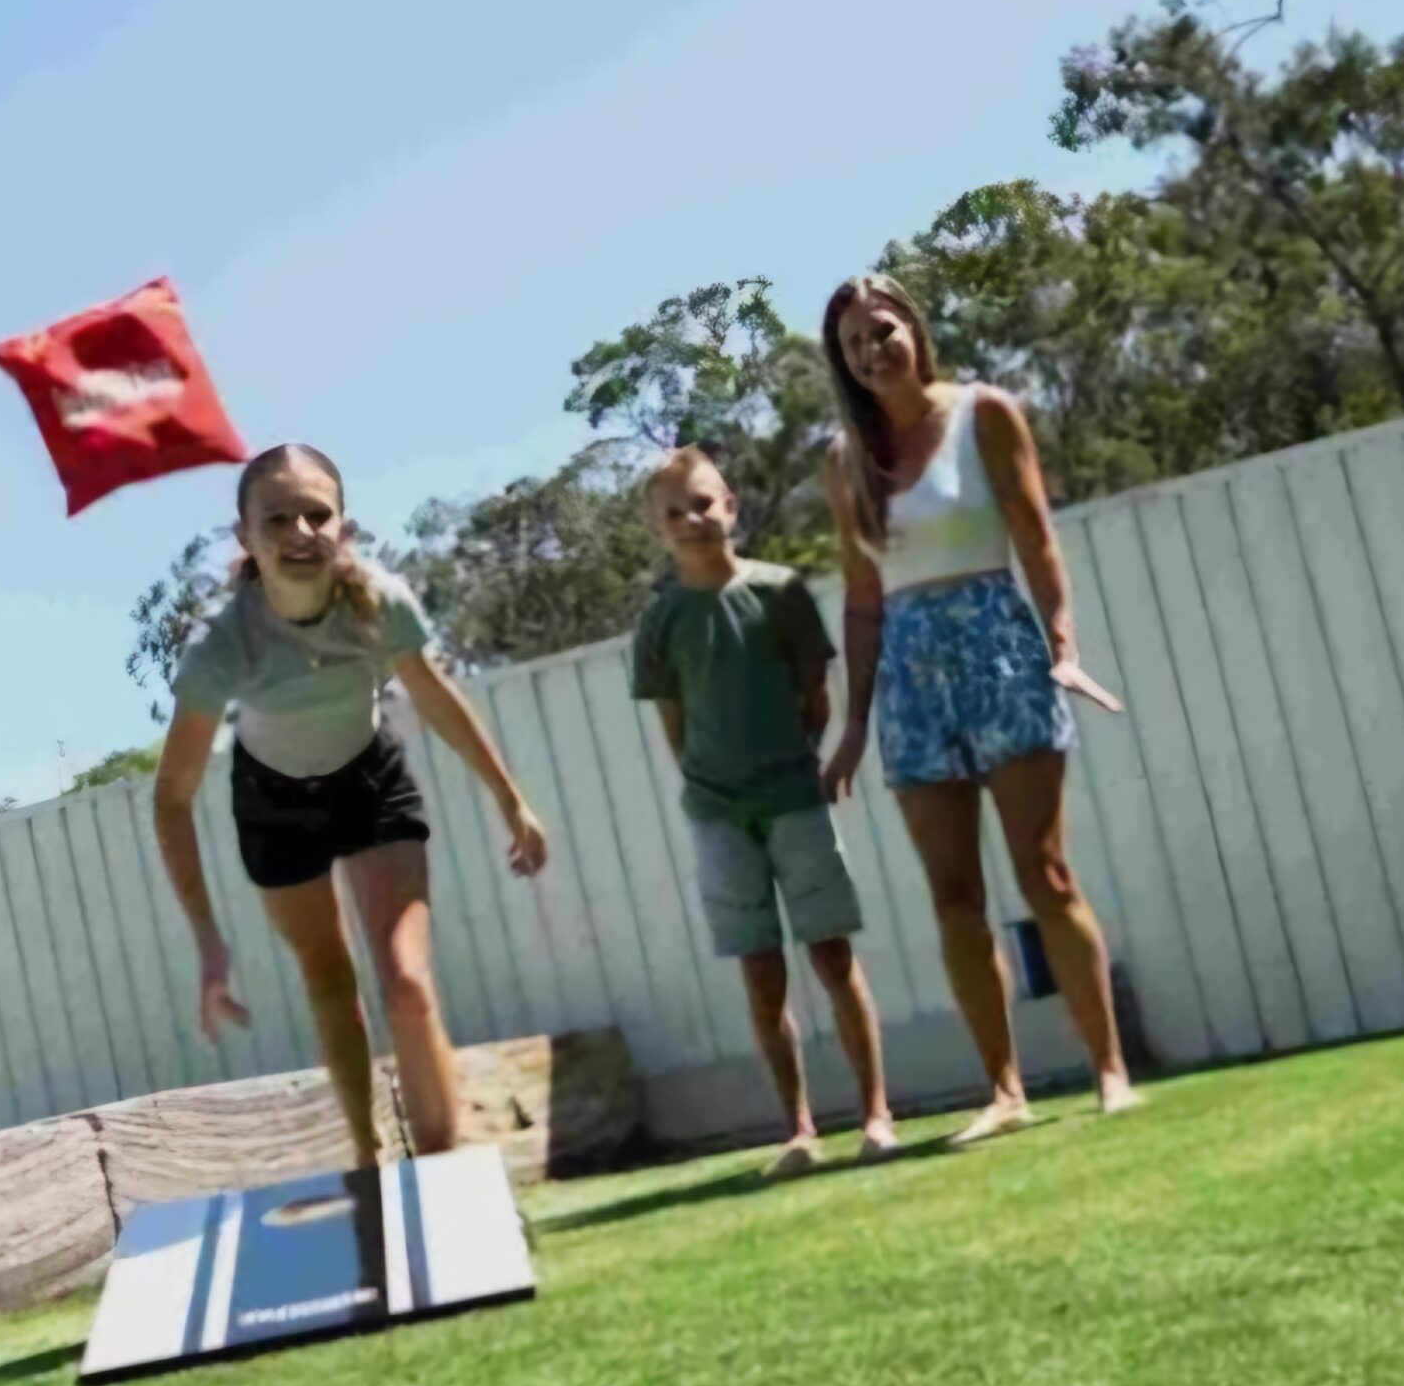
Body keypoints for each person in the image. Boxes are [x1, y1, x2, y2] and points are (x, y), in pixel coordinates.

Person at [153, 443, 548, 1166]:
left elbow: (435, 698)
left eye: (317, 514)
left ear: (344, 527)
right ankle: (368, 1155)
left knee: (406, 981)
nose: (300, 532)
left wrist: (511, 800)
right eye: (277, 518)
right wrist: (210, 944)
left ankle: (441, 1169)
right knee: (331, 981)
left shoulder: (378, 601)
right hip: (274, 803)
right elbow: (172, 800)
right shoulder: (221, 646)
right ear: (245, 536)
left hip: (369, 781)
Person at [817, 274, 1139, 1142]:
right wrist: (853, 727)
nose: (871, 351)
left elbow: (1036, 536)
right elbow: (860, 597)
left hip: (999, 646)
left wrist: (1061, 645)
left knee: (1045, 872)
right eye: (853, 344)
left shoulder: (983, 412)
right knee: (953, 894)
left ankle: (1110, 1071)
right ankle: (1004, 1091)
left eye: (881, 330)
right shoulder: (846, 459)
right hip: (913, 681)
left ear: (913, 327)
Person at [631, 447, 897, 1180]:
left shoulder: (781, 592)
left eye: (703, 503)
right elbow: (676, 726)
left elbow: (816, 696)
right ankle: (799, 1130)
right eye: (674, 510)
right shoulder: (660, 622)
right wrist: (714, 786)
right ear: (655, 526)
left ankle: (876, 1115)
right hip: (718, 816)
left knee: (833, 957)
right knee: (761, 974)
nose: (692, 519)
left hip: (794, 800)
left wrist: (794, 763)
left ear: (732, 504)